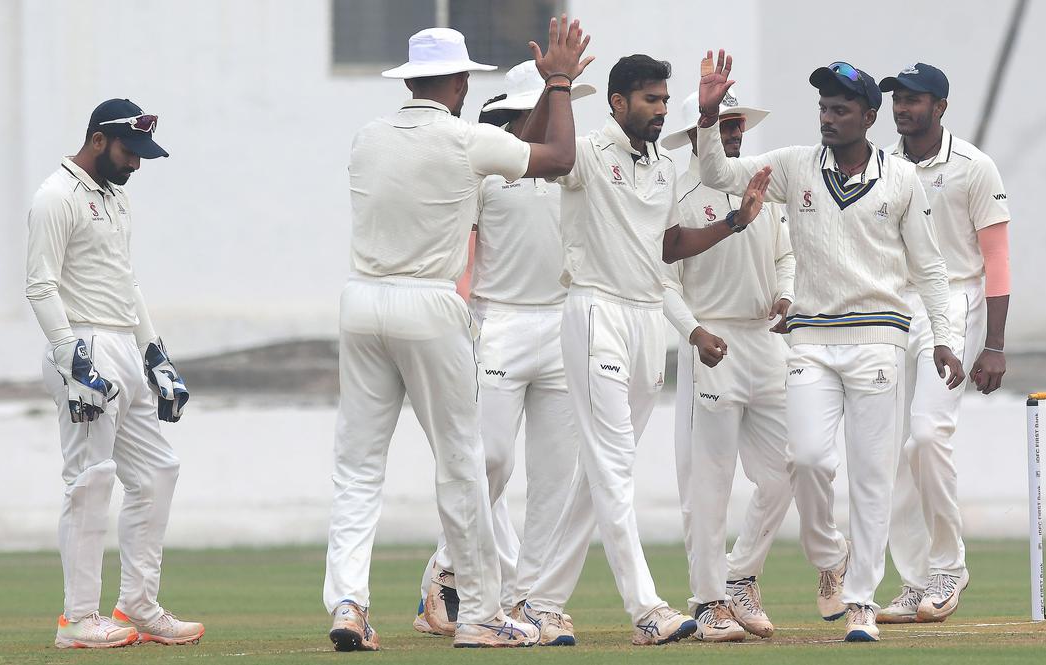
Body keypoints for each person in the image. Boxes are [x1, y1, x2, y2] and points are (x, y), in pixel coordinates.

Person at [322, 17, 593, 651]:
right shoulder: (465, 139)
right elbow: (556, 160)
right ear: (454, 82)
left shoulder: (367, 137)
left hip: (360, 301)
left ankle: (348, 604)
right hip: (428, 303)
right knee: (462, 463)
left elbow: (500, 169)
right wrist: (557, 81)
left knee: (358, 466)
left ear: (410, 79)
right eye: (464, 81)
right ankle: (478, 613)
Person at [697, 52, 964, 642]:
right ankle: (831, 555)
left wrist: (943, 338)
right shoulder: (793, 166)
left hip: (878, 342)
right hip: (812, 341)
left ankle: (862, 601)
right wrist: (709, 114)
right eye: (823, 106)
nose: (828, 116)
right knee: (808, 461)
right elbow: (719, 177)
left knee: (872, 477)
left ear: (869, 116)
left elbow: (932, 268)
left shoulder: (900, 178)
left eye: (841, 108)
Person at [517, 54, 773, 647]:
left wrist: (735, 221)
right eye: (651, 101)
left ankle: (542, 601)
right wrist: (557, 85)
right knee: (611, 468)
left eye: (664, 100)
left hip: (644, 319)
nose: (661, 111)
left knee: (605, 471)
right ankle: (647, 607)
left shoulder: (662, 167)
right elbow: (530, 153)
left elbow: (670, 244)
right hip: (594, 312)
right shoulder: (584, 152)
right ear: (617, 104)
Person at [412, 59, 595, 639]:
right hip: (499, 324)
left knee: (553, 478)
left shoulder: (575, 171)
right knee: (491, 459)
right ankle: (447, 565)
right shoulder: (487, 174)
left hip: (561, 324)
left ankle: (527, 601)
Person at [26, 98, 203, 649]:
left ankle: (137, 606)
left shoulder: (115, 200)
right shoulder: (55, 197)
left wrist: (157, 355)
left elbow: (128, 285)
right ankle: (77, 619)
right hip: (85, 344)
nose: (137, 165)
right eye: (130, 152)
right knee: (90, 479)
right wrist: (69, 356)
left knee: (157, 473)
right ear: (98, 140)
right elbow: (40, 285)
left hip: (124, 344)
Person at [875, 63, 1012, 624]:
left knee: (928, 435)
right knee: (893, 450)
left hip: (956, 302)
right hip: (894, 307)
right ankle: (914, 580)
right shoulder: (881, 164)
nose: (903, 108)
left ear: (942, 105)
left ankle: (949, 567)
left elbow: (997, 259)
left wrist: (995, 345)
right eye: (898, 99)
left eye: (915, 99)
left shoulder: (974, 167)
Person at [660, 89, 794, 642]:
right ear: (698, 132)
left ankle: (741, 575)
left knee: (791, 466)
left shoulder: (761, 183)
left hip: (765, 340)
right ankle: (708, 599)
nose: (733, 134)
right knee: (708, 483)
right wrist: (693, 331)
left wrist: (786, 297)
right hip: (711, 340)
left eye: (738, 126)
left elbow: (785, 256)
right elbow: (663, 279)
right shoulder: (679, 192)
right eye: (723, 126)